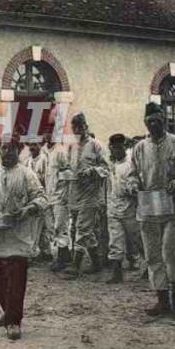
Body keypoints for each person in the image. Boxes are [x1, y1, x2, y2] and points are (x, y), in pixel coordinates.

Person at [0, 135, 47, 341]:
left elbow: (41, 197)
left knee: (16, 278)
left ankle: (14, 321)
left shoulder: (26, 174)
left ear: (17, 150)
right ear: (0, 149)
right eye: (3, 148)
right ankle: (8, 312)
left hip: (18, 234)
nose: (7, 152)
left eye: (11, 148)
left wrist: (29, 209)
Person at [126, 102, 175, 317]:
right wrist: (133, 185)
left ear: (164, 121)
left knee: (171, 252)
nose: (154, 125)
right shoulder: (139, 148)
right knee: (153, 255)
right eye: (150, 122)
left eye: (158, 121)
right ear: (145, 123)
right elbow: (132, 175)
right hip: (149, 208)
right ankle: (162, 299)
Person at [59, 112, 108, 279]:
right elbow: (68, 167)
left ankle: (75, 265)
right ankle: (97, 262)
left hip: (91, 193)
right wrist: (65, 172)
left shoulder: (96, 145)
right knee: (83, 229)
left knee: (82, 227)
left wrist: (92, 171)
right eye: (75, 128)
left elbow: (106, 169)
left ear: (86, 127)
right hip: (75, 192)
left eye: (80, 127)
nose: (78, 131)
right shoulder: (72, 147)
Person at [105, 134, 143, 283]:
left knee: (138, 239)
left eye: (120, 147)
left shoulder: (130, 165)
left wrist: (132, 190)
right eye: (114, 147)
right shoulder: (110, 165)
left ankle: (150, 266)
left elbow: (135, 183)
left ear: (125, 148)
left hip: (130, 207)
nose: (116, 150)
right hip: (113, 206)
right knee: (115, 240)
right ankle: (117, 273)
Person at [43, 130, 71, 272]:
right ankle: (65, 254)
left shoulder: (60, 151)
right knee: (51, 226)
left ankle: (61, 258)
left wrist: (64, 191)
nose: (48, 135)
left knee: (61, 226)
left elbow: (69, 171)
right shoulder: (44, 152)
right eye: (45, 132)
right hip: (48, 196)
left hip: (60, 195)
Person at [24, 141, 51, 262]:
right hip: (31, 196)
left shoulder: (44, 160)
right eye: (30, 145)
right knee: (38, 225)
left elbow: (48, 179)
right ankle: (44, 251)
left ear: (40, 145)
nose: (32, 147)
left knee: (39, 225)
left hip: (42, 194)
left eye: (35, 144)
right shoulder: (27, 161)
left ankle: (36, 252)